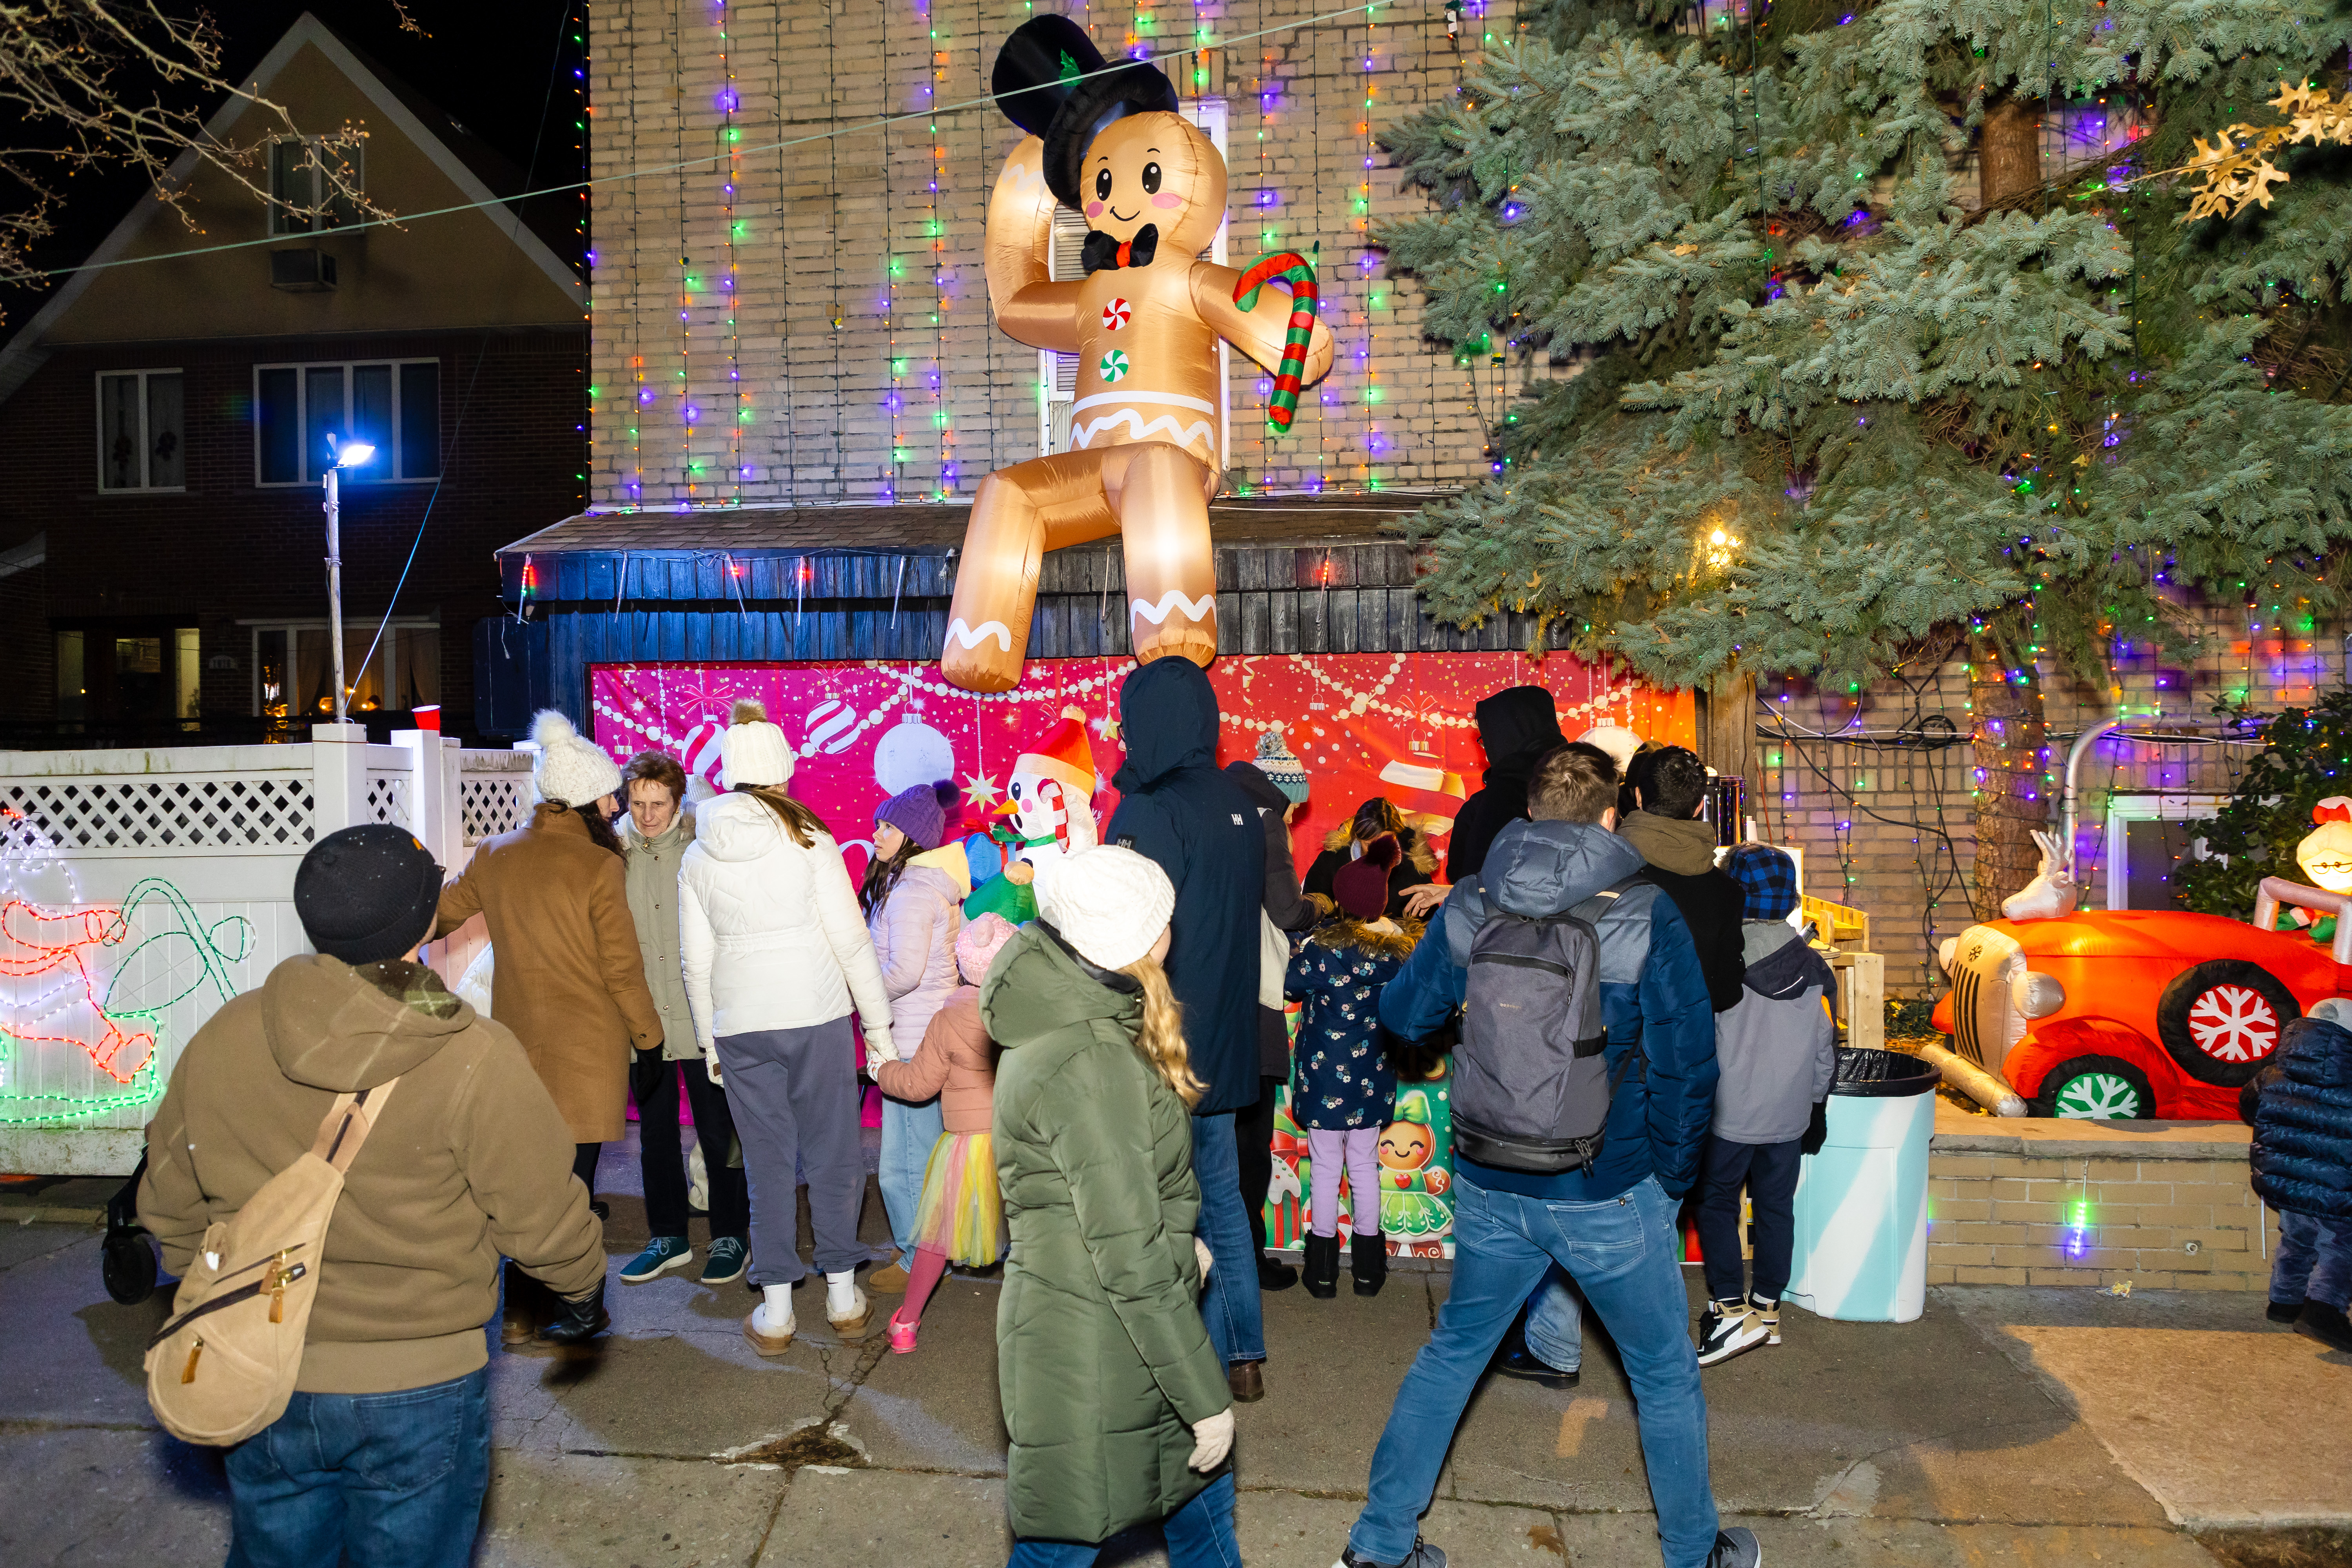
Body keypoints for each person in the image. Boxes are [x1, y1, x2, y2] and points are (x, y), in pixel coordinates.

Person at [140, 826, 606, 1567]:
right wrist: (582, 1291)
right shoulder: (473, 1057)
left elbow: (167, 1204)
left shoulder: (225, 1034)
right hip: (419, 1383)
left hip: (262, 1360)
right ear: (423, 924)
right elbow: (541, 1216)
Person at [1342, 742, 1757, 1568]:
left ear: (1530, 812)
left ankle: (1380, 1546)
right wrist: (1668, 1182)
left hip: (1492, 1176)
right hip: (1610, 1185)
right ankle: (1694, 1552)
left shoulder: (1469, 903)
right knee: (1664, 1376)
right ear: (1612, 817)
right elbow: (1688, 1064)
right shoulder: (1645, 911)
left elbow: (1402, 1012)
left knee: (1455, 1351)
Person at [984, 845, 1238, 1566]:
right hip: (1096, 1354)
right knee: (1061, 1540)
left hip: (1107, 1333)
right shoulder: (1089, 1062)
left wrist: (1177, 1236)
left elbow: (1097, 1199)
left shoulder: (1072, 1015)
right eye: (1165, 919)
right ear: (1136, 941)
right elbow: (1126, 1256)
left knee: (1201, 1509)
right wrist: (1204, 1397)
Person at [434, 710, 661, 1342]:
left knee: (524, 1181)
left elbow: (441, 913)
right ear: (588, 800)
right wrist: (650, 1038)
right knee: (570, 1189)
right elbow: (622, 967)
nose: (618, 804)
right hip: (587, 1051)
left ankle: (518, 1314)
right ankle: (575, 1307)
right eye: (611, 794)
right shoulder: (598, 866)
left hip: (516, 1047)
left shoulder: (497, 855)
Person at [680, 699, 897, 1353]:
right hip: (817, 1015)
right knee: (834, 1154)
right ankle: (841, 1297)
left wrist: (707, 1039)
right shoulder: (812, 840)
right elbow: (853, 943)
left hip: (740, 1025)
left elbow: (698, 961)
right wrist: (880, 1032)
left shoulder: (698, 851)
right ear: (781, 770)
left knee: (767, 1163)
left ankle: (776, 1313)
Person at [1105, 658, 1270, 1401]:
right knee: (1223, 1198)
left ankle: (1166, 1361)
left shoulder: (1153, 812)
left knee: (1158, 1206)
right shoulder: (1234, 800)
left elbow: (1122, 929)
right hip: (1228, 1036)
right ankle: (1244, 1355)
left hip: (1163, 1044)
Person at [1693, 844, 1836, 1367]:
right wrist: (1816, 1107)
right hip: (1789, 1115)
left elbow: (1702, 1037)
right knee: (1776, 1208)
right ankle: (1768, 1308)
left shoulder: (1718, 959)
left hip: (1728, 1114)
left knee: (1717, 1204)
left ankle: (1730, 1306)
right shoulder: (1813, 966)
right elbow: (1826, 1046)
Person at [616, 750, 751, 1291]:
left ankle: (730, 1235)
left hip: (701, 1019)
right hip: (643, 1021)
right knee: (654, 1136)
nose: (647, 815)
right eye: (637, 803)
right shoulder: (613, 854)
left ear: (678, 802)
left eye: (658, 804)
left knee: (720, 1134)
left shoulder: (703, 850)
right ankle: (668, 1236)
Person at [872, 913, 1018, 1352]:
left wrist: (884, 1071)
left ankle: (907, 1323)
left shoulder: (947, 1018)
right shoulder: (1024, 1015)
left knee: (938, 1234)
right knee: (1032, 1230)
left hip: (967, 1147)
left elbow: (917, 1086)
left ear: (961, 966)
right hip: (1018, 1138)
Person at [1286, 835, 1417, 1299]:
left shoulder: (1322, 952)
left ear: (1340, 900)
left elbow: (1289, 985)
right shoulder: (1398, 956)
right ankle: (1369, 1272)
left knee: (1324, 1167)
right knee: (1363, 1166)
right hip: (1372, 1079)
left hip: (1323, 1082)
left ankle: (1322, 1274)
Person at [863, 780, 968, 1294]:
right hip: (926, 1034)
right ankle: (928, 1250)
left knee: (904, 1163)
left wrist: (858, 993)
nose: (877, 833)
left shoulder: (910, 893)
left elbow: (903, 972)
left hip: (910, 1040)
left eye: (887, 826)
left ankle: (917, 1257)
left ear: (912, 837)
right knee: (925, 1156)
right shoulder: (929, 887)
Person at [1227, 724, 1318, 1292]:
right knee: (1251, 1138)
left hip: (1208, 994)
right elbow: (1285, 909)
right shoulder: (1264, 824)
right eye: (1293, 809)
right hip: (1253, 998)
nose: (1291, 819)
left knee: (1216, 1139)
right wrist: (1319, 907)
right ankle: (1250, 1258)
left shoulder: (1218, 813)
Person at [2245, 998, 2352, 1351]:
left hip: (2285, 1181)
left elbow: (2248, 1105)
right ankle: (2323, 1312)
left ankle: (2284, 1304)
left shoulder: (2273, 1073)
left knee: (2297, 1240)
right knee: (2341, 1247)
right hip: (2340, 1186)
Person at [1619, 745, 1745, 1014]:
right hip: (1688, 1043)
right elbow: (1725, 993)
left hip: (1614, 1042)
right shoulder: (1728, 892)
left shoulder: (1605, 870)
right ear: (1700, 806)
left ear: (1638, 797)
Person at [1445, 685, 1566, 884]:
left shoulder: (1506, 786)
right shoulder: (1589, 774)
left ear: (1504, 735)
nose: (1486, 752)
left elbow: (1470, 877)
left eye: (1487, 740)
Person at [1303, 796, 1438, 920]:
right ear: (1358, 836)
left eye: (1385, 843)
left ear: (1396, 835)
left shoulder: (1414, 865)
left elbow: (1430, 923)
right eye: (1370, 845)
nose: (1379, 851)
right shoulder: (1334, 860)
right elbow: (1312, 908)